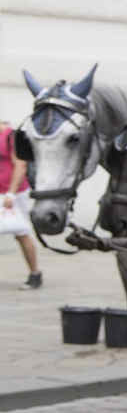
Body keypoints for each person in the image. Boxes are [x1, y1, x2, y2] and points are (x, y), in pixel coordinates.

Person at [0, 120, 42, 288]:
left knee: (21, 233)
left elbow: (20, 165)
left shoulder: (11, 136)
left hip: (14, 193)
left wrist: (11, 193)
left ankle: (35, 274)